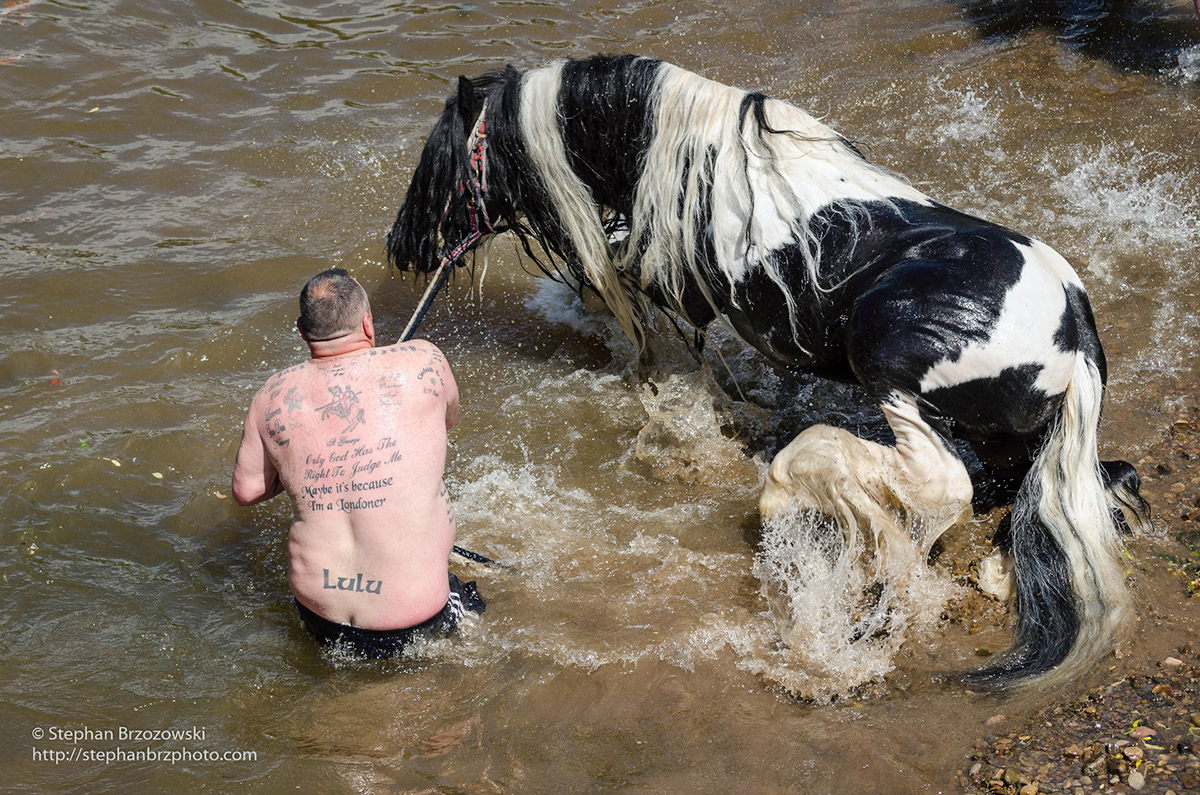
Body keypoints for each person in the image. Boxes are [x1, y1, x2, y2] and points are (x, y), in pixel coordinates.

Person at [232, 268, 483, 658]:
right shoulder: (424, 359)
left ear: (302, 330)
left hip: (321, 619)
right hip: (413, 621)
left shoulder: (269, 396)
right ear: (367, 322)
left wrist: (297, 466)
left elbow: (247, 491)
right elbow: (447, 420)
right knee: (483, 614)